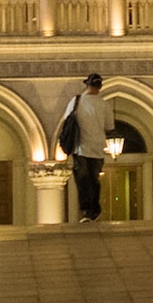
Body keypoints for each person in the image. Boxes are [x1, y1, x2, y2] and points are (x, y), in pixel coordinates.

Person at [61, 74, 111, 222]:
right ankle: (94, 210)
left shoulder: (76, 101)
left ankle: (86, 210)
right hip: (97, 146)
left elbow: (67, 120)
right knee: (94, 179)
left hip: (80, 146)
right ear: (99, 87)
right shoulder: (104, 104)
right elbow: (109, 126)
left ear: (87, 85)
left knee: (82, 180)